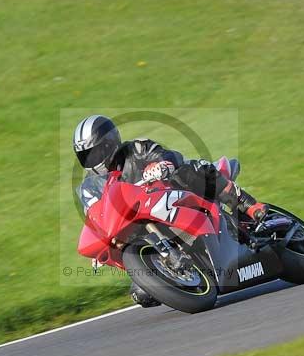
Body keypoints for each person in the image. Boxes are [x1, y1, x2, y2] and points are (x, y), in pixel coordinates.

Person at [73, 114, 268, 307]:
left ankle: (249, 205)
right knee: (142, 293)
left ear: (109, 144)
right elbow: (95, 214)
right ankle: (181, 276)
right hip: (139, 225)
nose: (92, 160)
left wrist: (162, 164)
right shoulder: (90, 186)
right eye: (86, 156)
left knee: (195, 168)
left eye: (95, 153)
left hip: (176, 195)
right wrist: (101, 242)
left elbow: (169, 155)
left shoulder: (136, 149)